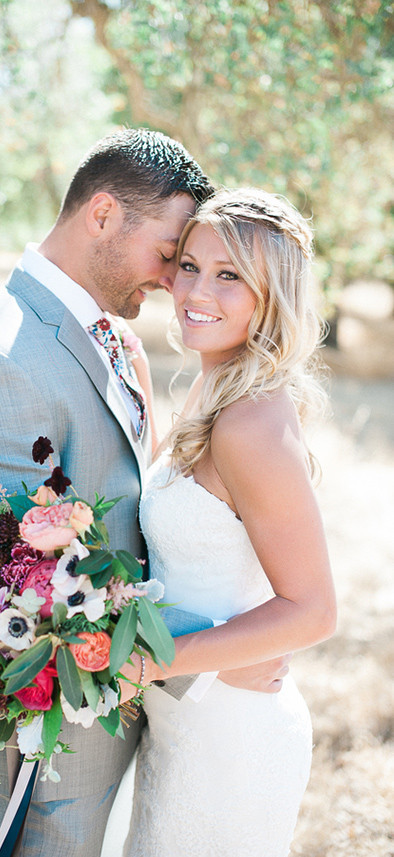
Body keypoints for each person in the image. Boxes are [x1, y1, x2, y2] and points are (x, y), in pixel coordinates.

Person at [0, 131, 291, 857]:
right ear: (101, 215)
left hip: (135, 711)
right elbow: (28, 590)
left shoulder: (110, 336)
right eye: (170, 254)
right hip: (59, 744)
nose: (172, 282)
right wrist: (210, 653)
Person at [121, 188, 337, 857]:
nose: (196, 290)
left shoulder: (250, 421)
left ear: (271, 296)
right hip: (186, 717)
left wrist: (152, 663)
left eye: (229, 275)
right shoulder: (212, 386)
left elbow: (314, 610)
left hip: (232, 737)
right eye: (189, 264)